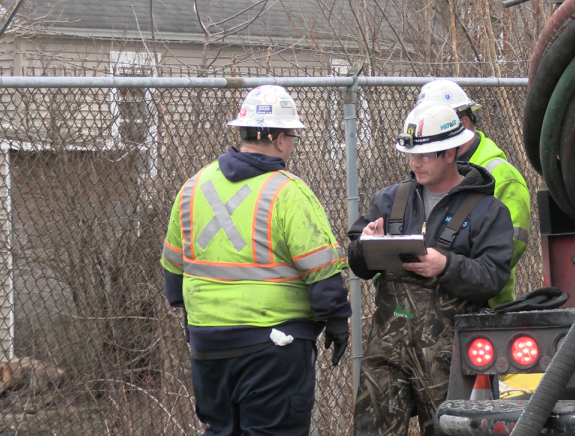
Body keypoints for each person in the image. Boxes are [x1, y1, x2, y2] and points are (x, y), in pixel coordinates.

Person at [160, 85, 352, 436]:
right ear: (279, 139)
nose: (292, 145)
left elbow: (174, 278)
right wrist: (337, 321)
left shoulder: (193, 186)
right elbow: (322, 273)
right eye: (292, 136)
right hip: (274, 347)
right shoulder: (288, 192)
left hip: (208, 346)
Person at [348, 101, 515, 435]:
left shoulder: (487, 211)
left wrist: (447, 266)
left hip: (448, 358)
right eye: (411, 155)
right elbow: (357, 261)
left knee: (448, 430)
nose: (414, 163)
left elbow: (494, 277)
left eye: (424, 156)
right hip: (386, 348)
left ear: (450, 153)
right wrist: (365, 245)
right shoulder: (390, 200)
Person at [416, 80, 531, 307]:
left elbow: (508, 248)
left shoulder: (500, 174)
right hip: (426, 313)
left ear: (464, 124)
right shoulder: (428, 173)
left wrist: (446, 266)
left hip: (484, 307)